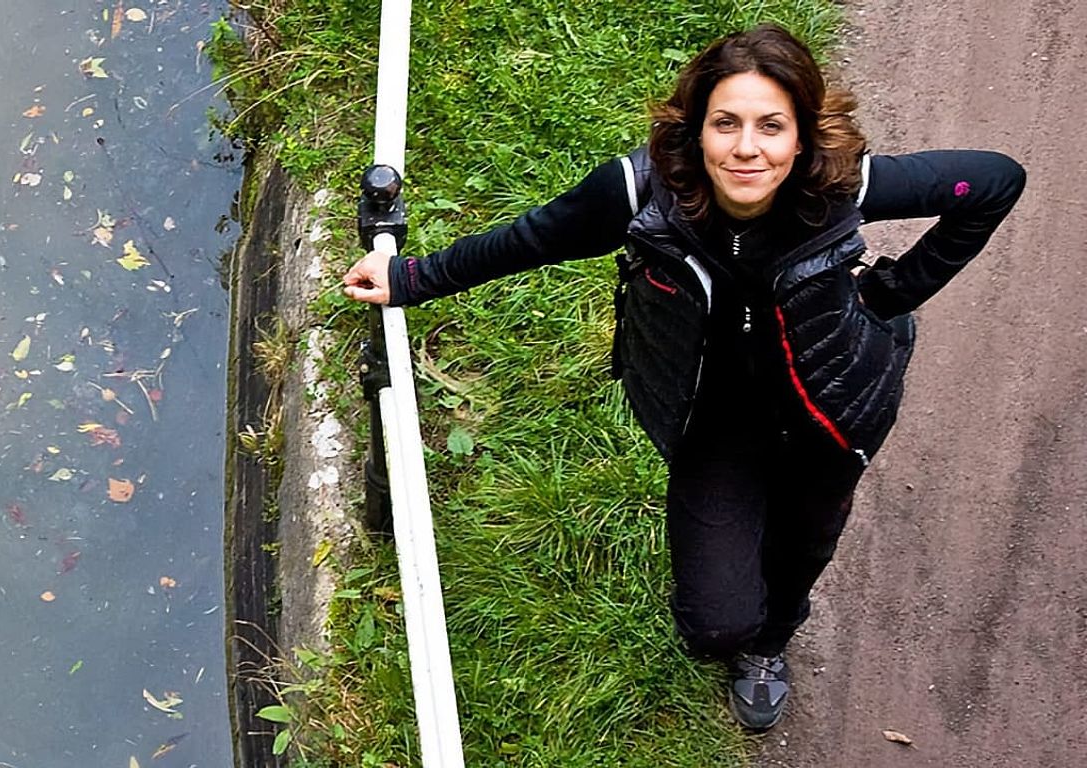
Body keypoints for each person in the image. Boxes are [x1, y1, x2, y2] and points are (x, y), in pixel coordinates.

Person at [342, 24, 1025, 732]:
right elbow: (534, 239)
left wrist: (890, 296)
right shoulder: (641, 191)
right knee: (712, 628)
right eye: (725, 124)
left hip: (830, 408)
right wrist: (411, 277)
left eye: (771, 126)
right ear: (696, 129)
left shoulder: (842, 186)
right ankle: (740, 636)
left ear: (801, 136)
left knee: (802, 546)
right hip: (714, 423)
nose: (748, 148)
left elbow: (996, 182)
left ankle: (771, 644)